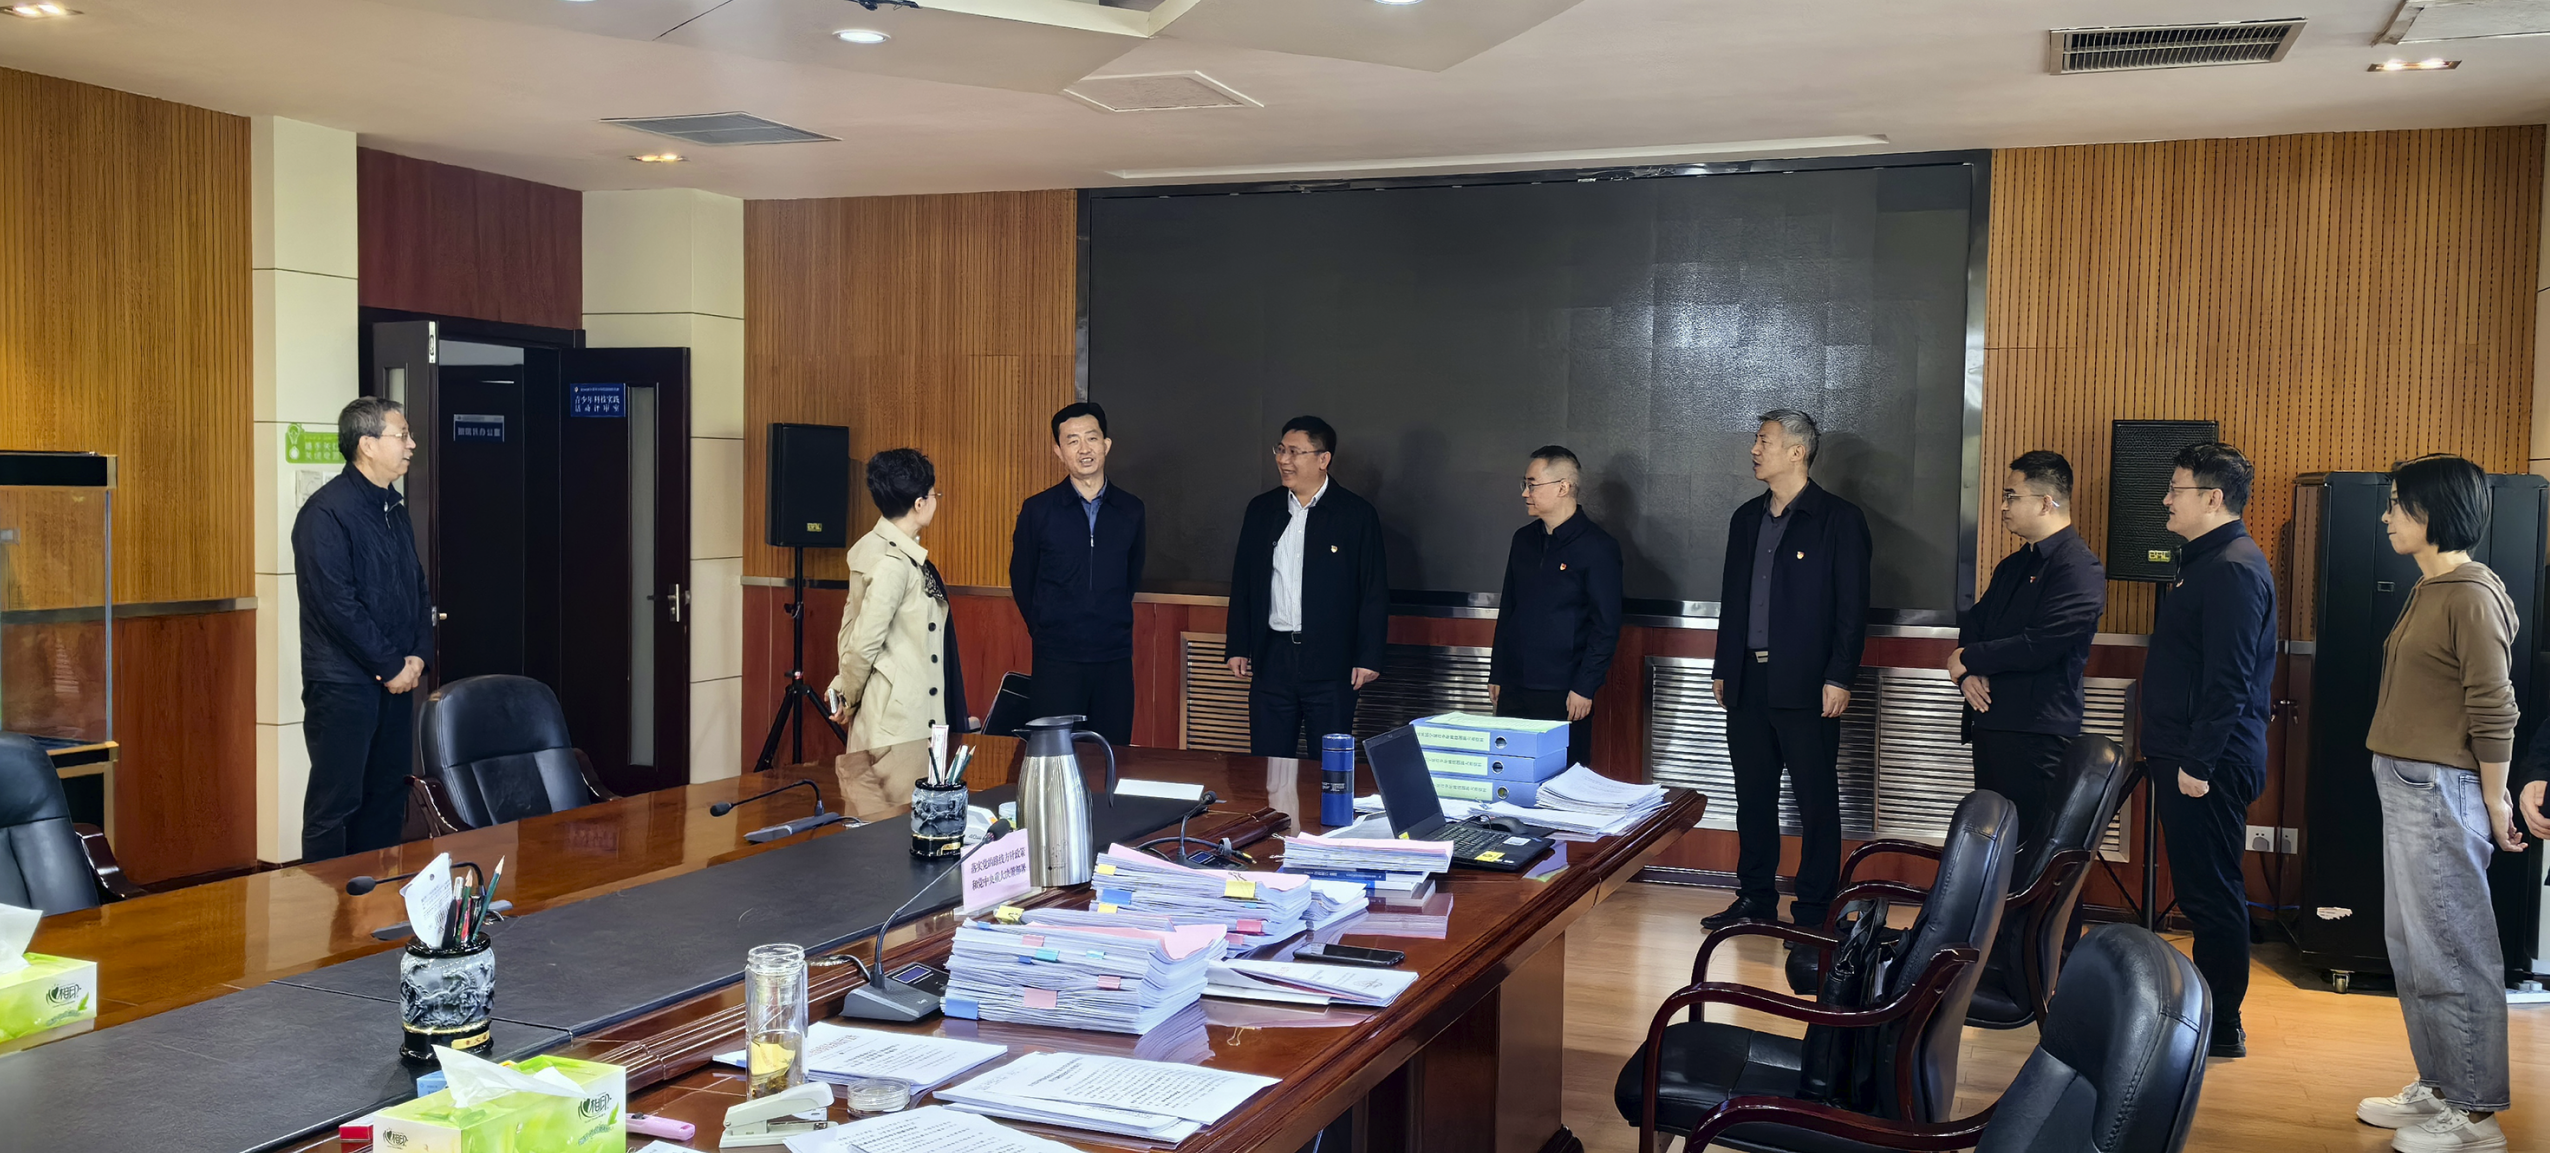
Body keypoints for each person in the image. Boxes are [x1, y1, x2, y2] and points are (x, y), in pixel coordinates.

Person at [2353, 455, 2524, 1153]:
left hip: (2441, 789)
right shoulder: (2432, 586)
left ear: (2435, 512)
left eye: (2398, 504)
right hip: (2407, 784)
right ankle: (2442, 1084)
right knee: (2415, 948)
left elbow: (2496, 707)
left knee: (2454, 951)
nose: (2387, 515)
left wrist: (2495, 800)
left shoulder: (2471, 594)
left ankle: (2477, 1115)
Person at [1702, 410, 1871, 932]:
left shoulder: (1838, 519)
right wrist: (1723, 666)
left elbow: (1852, 608)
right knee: (1752, 798)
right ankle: (1755, 897)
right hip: (1747, 681)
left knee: (1816, 801)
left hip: (1808, 684)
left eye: (1765, 441)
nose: (1755, 449)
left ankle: (1815, 911)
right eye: (1757, 441)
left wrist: (1840, 676)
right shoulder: (1745, 518)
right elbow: (1732, 600)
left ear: (1797, 451)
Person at [2139, 441, 2276, 1061]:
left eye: (2177, 489)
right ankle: (2208, 1018)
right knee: (2202, 891)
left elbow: (2231, 679)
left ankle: (2221, 1026)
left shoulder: (2231, 568)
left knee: (2212, 895)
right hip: (2190, 752)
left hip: (2207, 761)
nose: (2167, 500)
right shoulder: (2206, 561)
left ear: (2213, 498)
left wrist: (2198, 763)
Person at [292, 396, 432, 862]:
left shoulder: (393, 508)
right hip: (343, 686)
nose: (411, 444)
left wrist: (418, 655)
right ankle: (327, 903)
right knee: (336, 805)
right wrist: (390, 665)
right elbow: (337, 605)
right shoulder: (325, 513)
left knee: (387, 795)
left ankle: (377, 897)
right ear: (367, 445)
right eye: (402, 435)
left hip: (395, 681)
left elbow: (415, 586)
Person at [1949, 450, 2106, 844]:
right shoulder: (2014, 565)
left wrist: (1968, 658)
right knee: (1992, 846)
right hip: (1992, 723)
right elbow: (1976, 623)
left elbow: (2041, 645)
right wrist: (1967, 673)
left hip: (2036, 733)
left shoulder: (2078, 568)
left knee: (2033, 849)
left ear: (2045, 503)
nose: (2003, 506)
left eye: (2011, 496)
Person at [1225, 416, 1388, 758]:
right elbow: (1244, 582)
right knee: (1269, 767)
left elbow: (1372, 590)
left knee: (1328, 767)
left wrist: (1368, 656)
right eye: (1280, 450)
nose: (1284, 460)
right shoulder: (1262, 510)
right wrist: (1238, 645)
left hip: (1333, 664)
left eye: (1295, 452)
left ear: (1323, 459)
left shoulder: (1355, 514)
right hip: (1273, 660)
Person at [828, 448, 968, 820]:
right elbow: (862, 642)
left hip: (890, 714)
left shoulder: (878, 548)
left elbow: (849, 628)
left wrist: (844, 687)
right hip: (899, 725)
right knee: (892, 829)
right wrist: (847, 696)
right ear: (920, 504)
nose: (936, 501)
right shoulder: (894, 564)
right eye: (934, 495)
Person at [1009, 402, 1146, 745]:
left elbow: (1131, 574)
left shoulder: (1131, 509)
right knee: (1053, 757)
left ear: (1106, 444)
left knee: (1111, 755)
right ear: (1058, 451)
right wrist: (1046, 627)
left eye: (1091, 438)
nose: (1084, 449)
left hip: (1113, 657)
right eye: (1072, 441)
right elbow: (1023, 578)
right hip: (1056, 658)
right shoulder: (1038, 510)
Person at [1488, 446, 1622, 768]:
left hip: (1563, 689)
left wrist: (1584, 686)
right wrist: (1497, 672)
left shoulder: (1598, 547)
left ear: (1563, 487)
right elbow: (1508, 609)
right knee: (1510, 771)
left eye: (1532, 484)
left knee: (1560, 778)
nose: (1525, 493)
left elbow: (1606, 626)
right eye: (1525, 484)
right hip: (1514, 684)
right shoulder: (1523, 540)